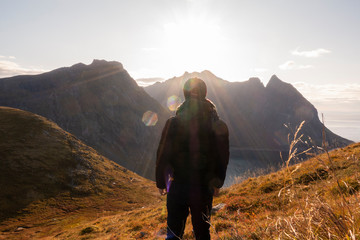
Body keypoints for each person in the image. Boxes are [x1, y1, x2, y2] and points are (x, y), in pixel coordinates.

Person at [156, 78, 229, 240]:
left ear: (185, 94)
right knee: (202, 231)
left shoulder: (172, 123)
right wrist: (217, 183)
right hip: (203, 188)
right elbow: (222, 157)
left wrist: (162, 182)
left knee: (174, 231)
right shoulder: (218, 124)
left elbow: (163, 154)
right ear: (205, 94)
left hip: (177, 186)